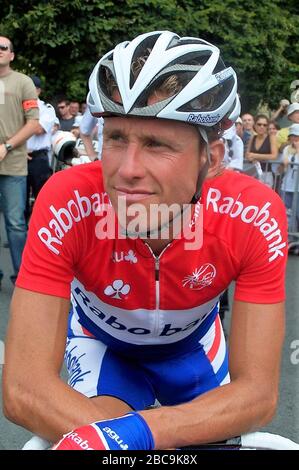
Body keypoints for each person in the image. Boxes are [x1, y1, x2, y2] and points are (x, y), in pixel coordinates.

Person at [3, 31, 287, 451]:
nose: (127, 170)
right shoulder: (68, 200)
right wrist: (131, 438)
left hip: (193, 349)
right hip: (104, 346)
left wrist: (139, 436)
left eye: (157, 144)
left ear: (210, 160)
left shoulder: (253, 214)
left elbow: (258, 394)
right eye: (116, 138)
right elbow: (24, 389)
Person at [0, 36, 39, 284]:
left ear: (12, 55)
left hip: (13, 165)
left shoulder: (23, 82)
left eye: (3, 48)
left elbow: (34, 124)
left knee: (15, 224)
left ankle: (23, 279)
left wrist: (7, 146)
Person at [26, 75, 56, 221]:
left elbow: (39, 129)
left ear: (38, 91)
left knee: (41, 199)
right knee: (19, 203)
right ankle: (19, 240)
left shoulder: (46, 109)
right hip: (19, 157)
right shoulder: (17, 108)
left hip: (38, 159)